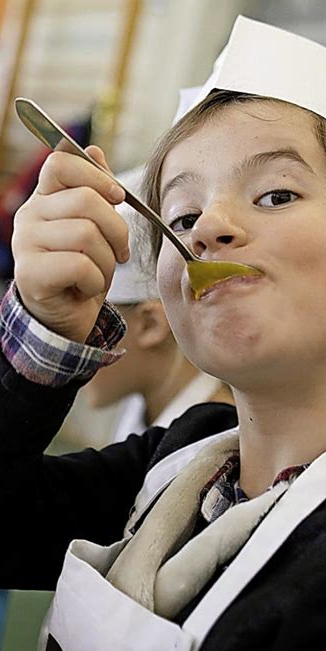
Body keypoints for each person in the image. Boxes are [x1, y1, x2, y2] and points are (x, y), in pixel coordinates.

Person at [0, 16, 326, 651]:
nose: (208, 226)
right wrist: (43, 322)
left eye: (275, 194)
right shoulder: (177, 463)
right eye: (183, 214)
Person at [72, 166, 234, 446]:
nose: (71, 344)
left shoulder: (211, 444)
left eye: (91, 326)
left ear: (151, 324)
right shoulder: (142, 411)